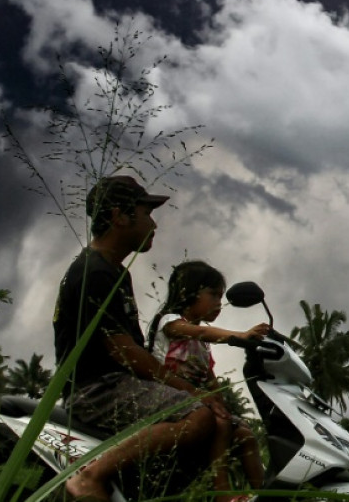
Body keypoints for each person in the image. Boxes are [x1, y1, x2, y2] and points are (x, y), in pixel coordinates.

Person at [53, 175, 234, 502]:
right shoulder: (94, 272)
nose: (154, 224)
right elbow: (126, 353)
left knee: (222, 428)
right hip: (97, 390)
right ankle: (90, 477)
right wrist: (191, 391)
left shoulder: (115, 272)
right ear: (119, 217)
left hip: (117, 385)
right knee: (199, 415)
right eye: (146, 213)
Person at [147, 260, 268, 494]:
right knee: (220, 424)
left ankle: (266, 495)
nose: (219, 303)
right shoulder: (170, 323)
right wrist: (241, 336)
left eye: (221, 297)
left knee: (245, 435)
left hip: (196, 400)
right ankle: (222, 494)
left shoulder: (202, 345)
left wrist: (222, 404)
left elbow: (209, 377)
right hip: (166, 395)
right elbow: (202, 331)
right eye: (213, 295)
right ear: (189, 293)